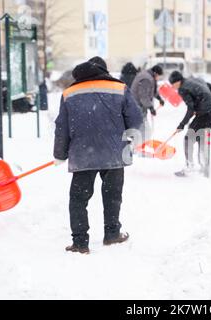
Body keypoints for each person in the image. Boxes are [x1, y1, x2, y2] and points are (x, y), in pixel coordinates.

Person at [54, 56, 143, 255]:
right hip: (114, 152)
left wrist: (60, 153)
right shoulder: (119, 88)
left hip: (82, 153)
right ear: (103, 71)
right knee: (112, 195)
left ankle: (79, 242)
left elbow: (62, 127)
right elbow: (135, 119)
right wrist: (133, 140)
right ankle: (112, 234)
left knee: (78, 199)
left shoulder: (69, 93)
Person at [168, 71, 211, 177]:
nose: (173, 87)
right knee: (201, 137)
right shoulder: (195, 80)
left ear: (178, 82)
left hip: (204, 114)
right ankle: (204, 166)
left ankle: (189, 166)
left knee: (188, 139)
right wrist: (208, 101)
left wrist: (181, 125)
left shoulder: (183, 89)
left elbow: (190, 110)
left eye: (173, 84)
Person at [130, 65, 165, 143]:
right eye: (159, 76)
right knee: (144, 130)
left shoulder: (149, 76)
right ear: (156, 74)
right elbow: (143, 96)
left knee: (143, 129)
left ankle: (140, 147)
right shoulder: (146, 79)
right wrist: (151, 107)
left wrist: (159, 98)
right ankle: (140, 148)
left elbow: (152, 90)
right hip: (137, 107)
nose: (158, 78)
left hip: (140, 106)